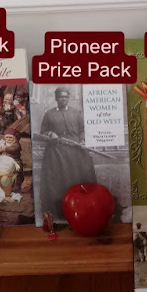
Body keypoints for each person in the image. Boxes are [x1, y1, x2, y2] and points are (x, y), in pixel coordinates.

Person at [39, 86, 96, 219]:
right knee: (57, 180)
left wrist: (82, 140)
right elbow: (43, 131)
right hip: (56, 151)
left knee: (83, 173)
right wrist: (50, 133)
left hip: (75, 150)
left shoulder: (76, 113)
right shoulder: (49, 114)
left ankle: (80, 207)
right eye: (61, 97)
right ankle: (60, 210)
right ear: (56, 98)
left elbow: (82, 129)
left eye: (66, 97)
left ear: (68, 98)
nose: (63, 99)